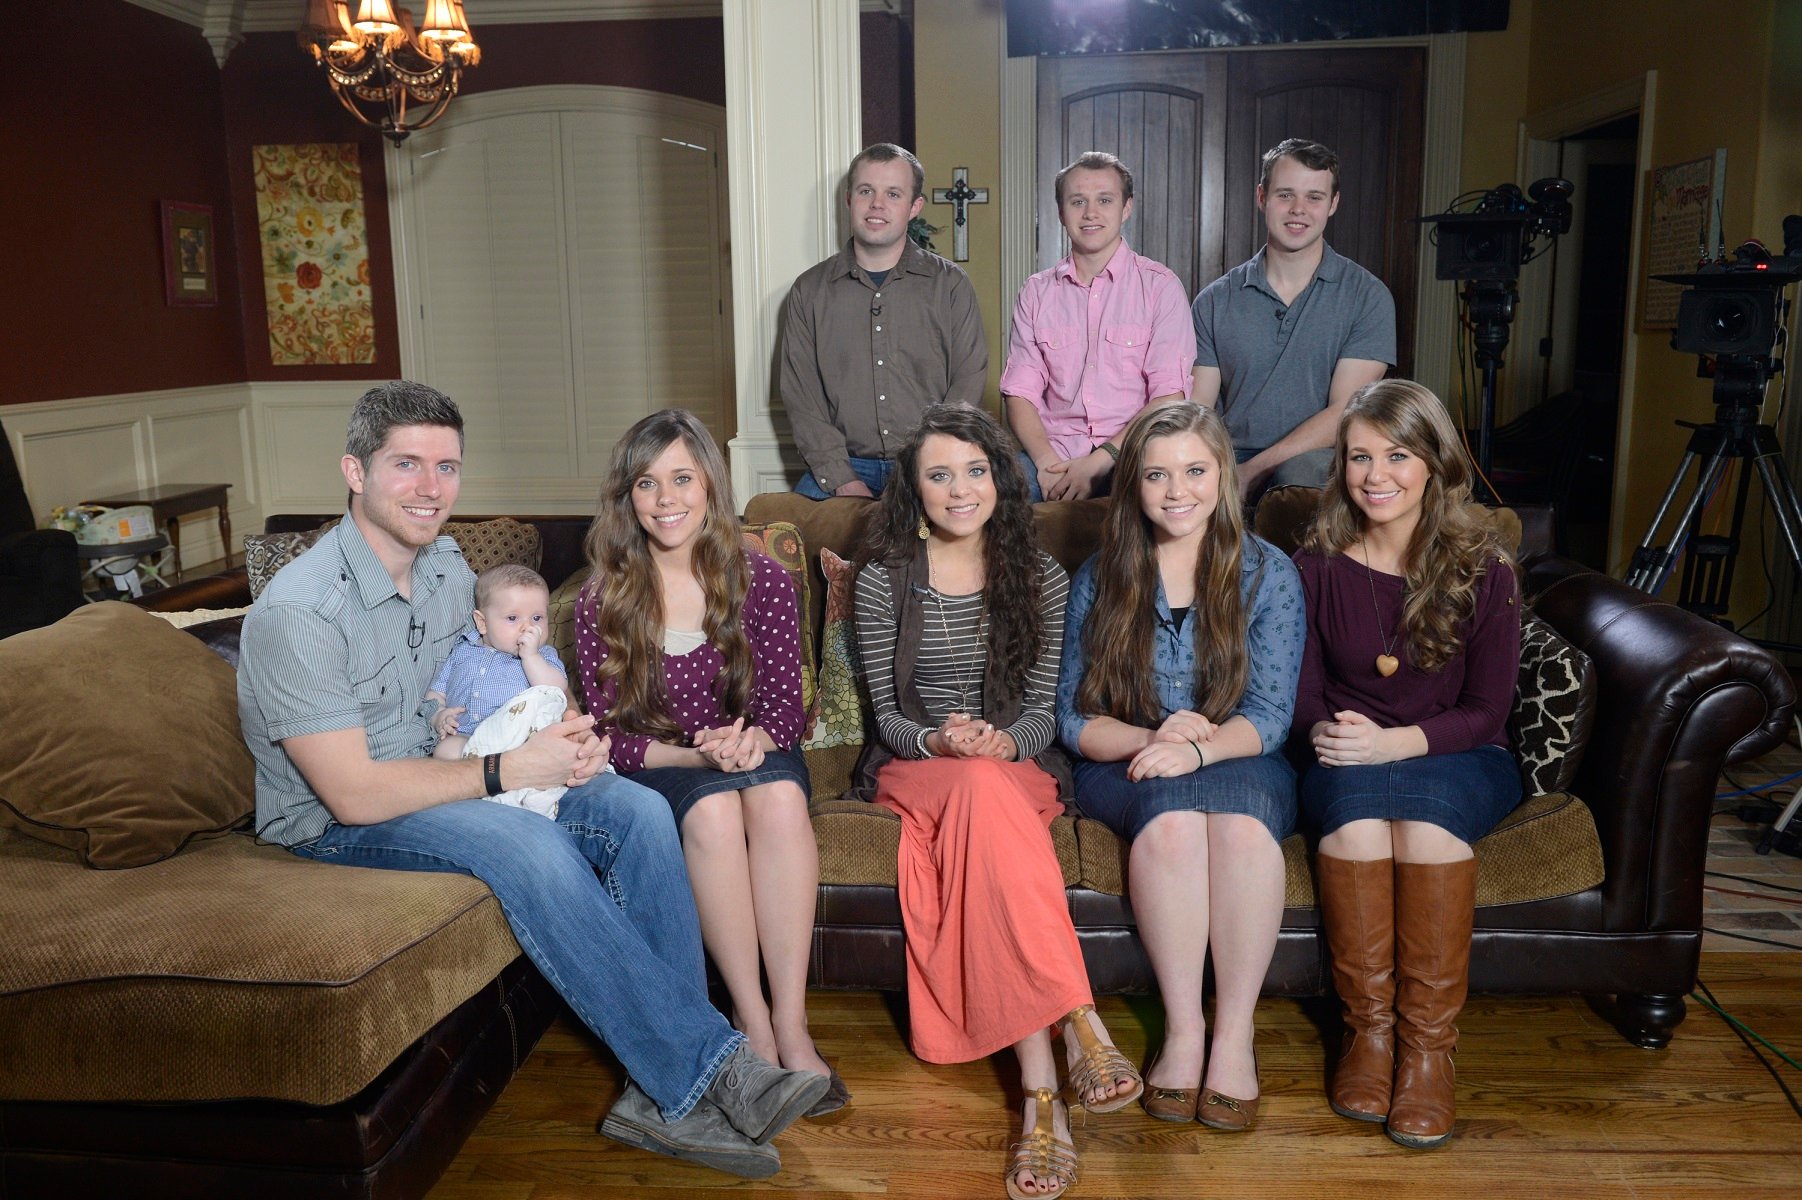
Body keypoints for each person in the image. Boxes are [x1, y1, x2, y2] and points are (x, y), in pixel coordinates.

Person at [236, 382, 827, 1181]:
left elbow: (504, 678)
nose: (430, 488)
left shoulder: (447, 568)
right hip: (346, 817)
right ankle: (710, 1074)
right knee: (532, 846)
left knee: (635, 813)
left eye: (446, 467)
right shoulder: (299, 610)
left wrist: (564, 741)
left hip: (458, 771)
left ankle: (659, 1096)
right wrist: (512, 767)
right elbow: (354, 795)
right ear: (354, 470)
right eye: (405, 465)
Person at [851, 403, 1141, 1200]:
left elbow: (1046, 712)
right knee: (973, 788)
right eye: (938, 474)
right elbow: (889, 717)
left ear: (1000, 481)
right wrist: (942, 744)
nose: (959, 489)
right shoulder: (882, 583)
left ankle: (1043, 1103)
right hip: (921, 768)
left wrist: (1004, 744)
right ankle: (1077, 1021)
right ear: (913, 489)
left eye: (975, 471)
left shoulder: (1041, 578)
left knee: (987, 793)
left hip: (1014, 768)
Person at [574, 408, 847, 1116]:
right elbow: (606, 733)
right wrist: (693, 752)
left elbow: (788, 702)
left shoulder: (759, 575)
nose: (666, 500)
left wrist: (754, 738)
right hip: (664, 761)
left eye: (682, 479)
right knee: (717, 812)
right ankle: (751, 1024)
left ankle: (792, 1023)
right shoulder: (602, 595)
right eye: (646, 483)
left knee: (779, 800)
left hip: (750, 746)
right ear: (626, 496)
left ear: (710, 486)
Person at [1057, 401, 1303, 1133]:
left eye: (1195, 470)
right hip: (1128, 760)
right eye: (1157, 475)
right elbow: (1073, 718)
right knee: (1169, 834)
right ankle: (1184, 1030)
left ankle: (1234, 1033)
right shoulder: (1102, 576)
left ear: (1223, 475)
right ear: (1132, 485)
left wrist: (1195, 747)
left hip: (1242, 759)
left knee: (1241, 835)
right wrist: (1150, 741)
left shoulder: (1269, 573)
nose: (1177, 491)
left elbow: (1270, 716)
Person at [1293, 378, 1522, 1149]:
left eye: (1397, 454)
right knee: (1356, 834)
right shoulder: (1315, 564)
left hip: (1459, 755)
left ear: (1434, 461)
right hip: (1344, 754)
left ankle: (1429, 1053)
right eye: (1359, 457)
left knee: (1426, 834)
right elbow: (1300, 693)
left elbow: (1489, 710)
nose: (1376, 475)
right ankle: (1372, 1036)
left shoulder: (1484, 567)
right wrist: (1331, 736)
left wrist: (1392, 743)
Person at [1190, 138, 1395, 498]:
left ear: (1333, 204)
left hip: (1318, 470)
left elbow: (1345, 415)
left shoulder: (1367, 296)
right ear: (1262, 198)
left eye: (1314, 197)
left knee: (1295, 473)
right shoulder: (1214, 301)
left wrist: (1252, 472)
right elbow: (1197, 411)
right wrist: (1203, 471)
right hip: (1228, 463)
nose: (1298, 209)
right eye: (1285, 195)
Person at [780, 143, 987, 499]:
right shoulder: (809, 291)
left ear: (914, 207)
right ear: (849, 200)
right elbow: (803, 397)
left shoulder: (950, 285)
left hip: (928, 463)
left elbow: (966, 385)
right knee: (797, 538)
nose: (877, 204)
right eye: (866, 191)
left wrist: (928, 469)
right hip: (844, 464)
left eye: (893, 193)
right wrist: (842, 479)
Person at [1000, 151, 1194, 503]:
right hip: (1053, 453)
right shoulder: (1036, 292)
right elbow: (1020, 392)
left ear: (1127, 208)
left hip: (1135, 453)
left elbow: (1169, 397)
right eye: (1078, 201)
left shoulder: (1160, 287)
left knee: (1161, 496)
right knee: (999, 492)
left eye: (1105, 200)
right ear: (1061, 212)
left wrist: (1098, 461)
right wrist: (1045, 463)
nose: (1090, 213)